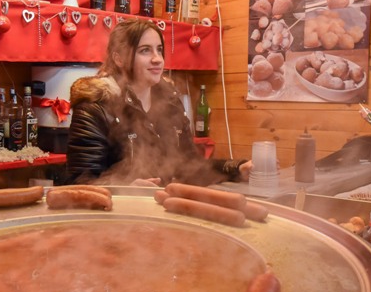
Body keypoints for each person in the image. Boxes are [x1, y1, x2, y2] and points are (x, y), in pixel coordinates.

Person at [67, 18, 251, 186]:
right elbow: (80, 183)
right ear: (119, 59)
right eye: (145, 50)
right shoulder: (94, 108)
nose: (157, 59)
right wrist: (126, 190)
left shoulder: (170, 104)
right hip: (117, 218)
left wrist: (236, 168)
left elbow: (191, 166)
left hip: (163, 210)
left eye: (159, 50)